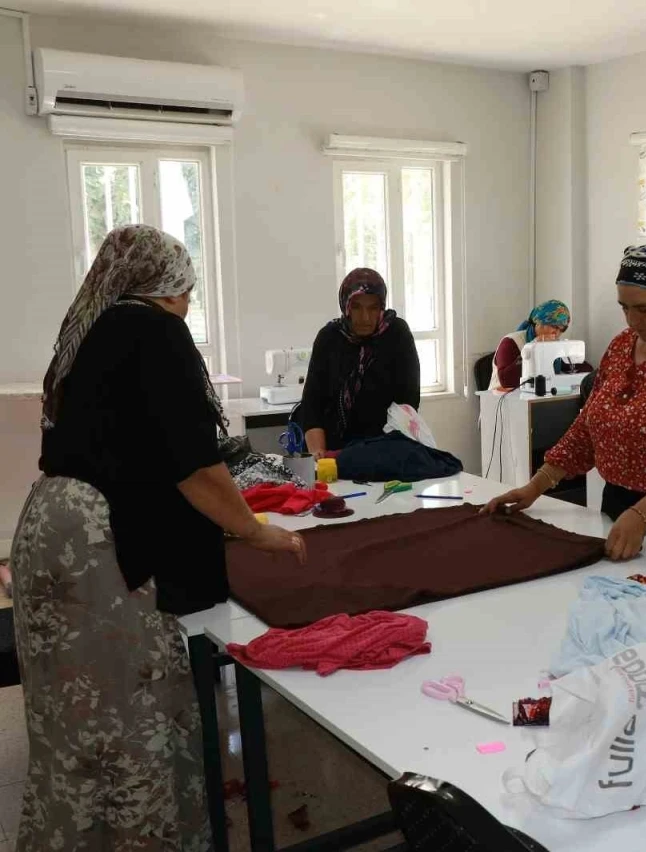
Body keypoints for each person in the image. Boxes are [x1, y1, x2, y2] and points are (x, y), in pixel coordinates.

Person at [11, 225, 305, 851]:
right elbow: (194, 466)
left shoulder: (89, 329)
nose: (188, 304)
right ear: (164, 287)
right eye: (187, 291)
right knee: (124, 714)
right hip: (99, 545)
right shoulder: (154, 330)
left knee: (71, 718)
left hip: (50, 526)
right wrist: (255, 531)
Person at [484, 244, 646, 560]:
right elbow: (587, 429)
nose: (632, 321)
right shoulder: (622, 346)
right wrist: (534, 486)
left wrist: (644, 514)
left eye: (644, 309)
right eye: (625, 308)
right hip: (622, 509)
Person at [299, 268, 420, 453]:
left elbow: (408, 404)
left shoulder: (396, 334)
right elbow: (312, 406)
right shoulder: (329, 338)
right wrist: (320, 457)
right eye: (356, 307)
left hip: (385, 447)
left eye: (373, 308)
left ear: (382, 307)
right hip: (332, 450)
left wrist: (383, 455)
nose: (365, 317)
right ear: (345, 306)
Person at [490, 299, 571, 390]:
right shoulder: (510, 342)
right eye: (554, 327)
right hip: (501, 395)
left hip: (532, 394)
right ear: (539, 322)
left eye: (562, 329)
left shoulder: (553, 345)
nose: (557, 333)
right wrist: (534, 348)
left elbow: (575, 368)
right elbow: (506, 380)